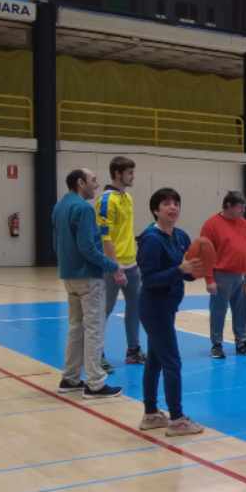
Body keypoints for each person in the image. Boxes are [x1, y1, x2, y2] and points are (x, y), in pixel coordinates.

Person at [53, 168, 126, 399]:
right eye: (93, 180)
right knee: (94, 329)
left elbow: (57, 244)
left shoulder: (60, 206)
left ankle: (70, 378)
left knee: (75, 328)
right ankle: (95, 383)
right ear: (80, 182)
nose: (96, 185)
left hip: (69, 276)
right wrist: (112, 265)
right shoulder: (83, 208)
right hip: (88, 276)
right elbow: (88, 247)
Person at [137, 187, 204, 437]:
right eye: (166, 203)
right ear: (156, 210)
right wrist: (180, 270)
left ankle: (151, 414)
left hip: (168, 307)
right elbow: (150, 278)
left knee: (155, 360)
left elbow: (185, 273)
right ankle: (176, 419)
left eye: (176, 203)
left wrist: (195, 271)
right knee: (172, 362)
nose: (172, 207)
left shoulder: (181, 236)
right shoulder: (151, 240)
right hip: (154, 308)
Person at [201, 191, 246, 359]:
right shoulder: (211, 225)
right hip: (222, 276)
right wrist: (209, 280)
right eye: (240, 207)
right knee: (218, 310)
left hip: (243, 274)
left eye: (244, 207)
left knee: (242, 311)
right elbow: (206, 254)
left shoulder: (244, 223)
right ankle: (217, 344)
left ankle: (242, 342)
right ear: (228, 206)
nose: (243, 210)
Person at [96, 156, 141, 370]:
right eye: (129, 173)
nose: (133, 176)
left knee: (135, 307)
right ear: (117, 174)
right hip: (112, 267)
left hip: (132, 264)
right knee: (104, 310)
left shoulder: (128, 198)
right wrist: (114, 267)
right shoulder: (106, 200)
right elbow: (105, 236)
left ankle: (133, 350)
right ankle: (97, 354)